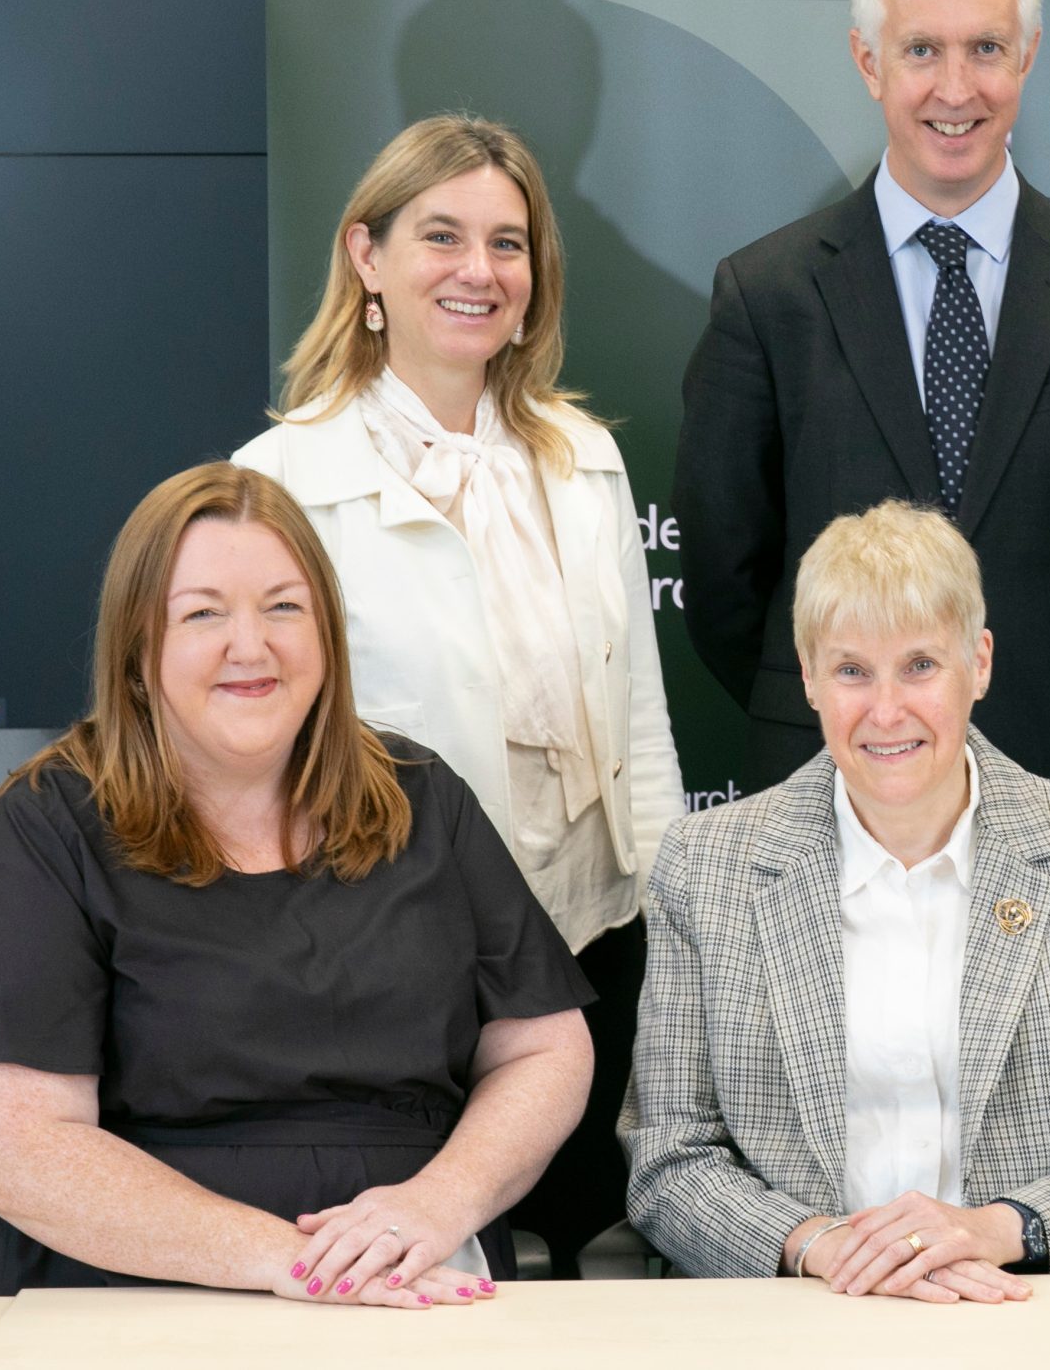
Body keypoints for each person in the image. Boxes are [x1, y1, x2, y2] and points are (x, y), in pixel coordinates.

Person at [0, 464, 594, 1301]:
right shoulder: (49, 827)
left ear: (329, 634)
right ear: (136, 647)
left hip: (415, 1277)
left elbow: (546, 1049)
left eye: (284, 606)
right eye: (202, 614)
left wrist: (439, 1203)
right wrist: (295, 1265)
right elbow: (12, 1146)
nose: (251, 646)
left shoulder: (423, 799)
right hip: (131, 1287)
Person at [675, 0, 1050, 868]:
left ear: (1030, 56)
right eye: (921, 49)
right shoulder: (766, 299)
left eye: (985, 49)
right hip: (832, 801)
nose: (954, 88)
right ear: (867, 61)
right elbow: (726, 585)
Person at [235, 112, 682, 1269]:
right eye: (443, 236)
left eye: (509, 243)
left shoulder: (583, 459)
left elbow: (638, 708)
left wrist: (674, 905)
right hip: (397, 958)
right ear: (365, 256)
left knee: (596, 1259)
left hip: (595, 941)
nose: (480, 271)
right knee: (423, 1272)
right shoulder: (278, 483)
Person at [623, 500, 1050, 1293]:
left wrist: (996, 1230)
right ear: (807, 676)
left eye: (921, 665)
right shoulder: (708, 864)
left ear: (981, 662)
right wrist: (824, 1246)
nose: (887, 710)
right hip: (802, 1314)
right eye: (852, 670)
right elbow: (669, 1157)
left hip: (1028, 1307)